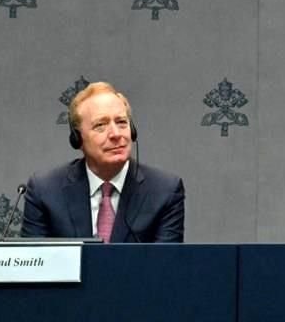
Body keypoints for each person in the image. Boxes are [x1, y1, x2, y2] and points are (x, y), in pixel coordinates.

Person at [21, 81, 185, 242]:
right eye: (100, 125)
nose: (115, 134)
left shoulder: (165, 191)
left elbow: (164, 266)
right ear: (77, 139)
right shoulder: (45, 190)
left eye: (121, 122)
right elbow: (34, 265)